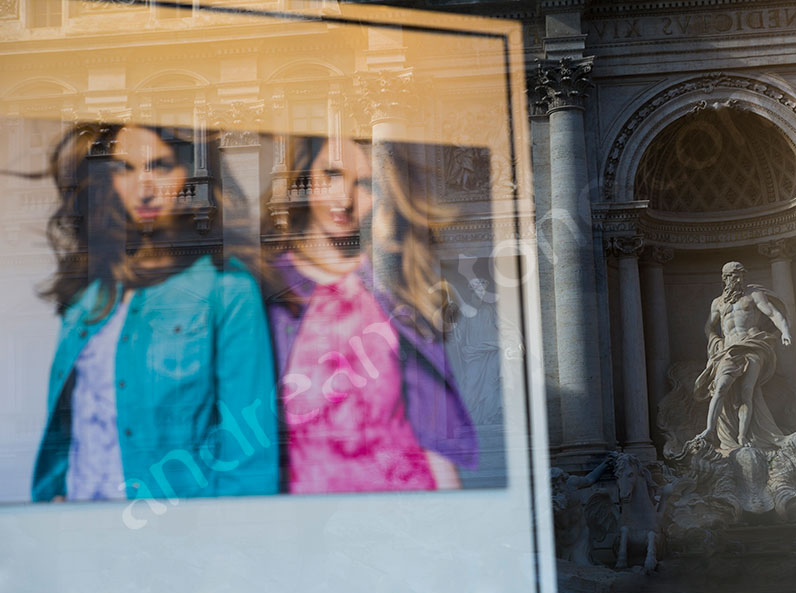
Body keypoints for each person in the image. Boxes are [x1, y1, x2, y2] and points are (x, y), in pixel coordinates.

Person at [30, 122, 278, 502]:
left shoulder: (226, 290)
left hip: (173, 539)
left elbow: (248, 453)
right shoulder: (87, 296)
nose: (143, 188)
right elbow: (71, 425)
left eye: (160, 166)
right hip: (79, 531)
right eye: (124, 168)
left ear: (193, 173)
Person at [264, 136, 478, 494]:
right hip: (313, 519)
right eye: (331, 175)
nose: (344, 199)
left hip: (405, 512)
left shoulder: (397, 296)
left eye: (364, 184)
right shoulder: (262, 290)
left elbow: (431, 440)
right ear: (303, 178)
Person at [692, 261, 792, 452]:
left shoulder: (754, 295)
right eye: (733, 275)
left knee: (748, 392)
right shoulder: (718, 303)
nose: (738, 279)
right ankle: (709, 430)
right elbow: (709, 326)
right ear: (725, 278)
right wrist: (715, 341)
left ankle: (742, 436)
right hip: (729, 349)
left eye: (740, 275)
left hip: (752, 345)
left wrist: (785, 331)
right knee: (720, 387)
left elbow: (773, 314)